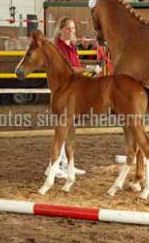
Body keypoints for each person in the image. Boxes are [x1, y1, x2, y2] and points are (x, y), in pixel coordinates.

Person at [53, 17, 94, 178]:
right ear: (62, 29)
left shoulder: (72, 46)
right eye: (69, 28)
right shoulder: (58, 47)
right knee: (63, 129)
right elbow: (68, 69)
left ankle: (68, 164)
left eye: (73, 29)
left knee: (70, 129)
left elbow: (75, 65)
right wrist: (87, 68)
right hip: (64, 92)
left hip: (74, 91)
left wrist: (86, 70)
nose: (72, 31)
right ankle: (54, 165)